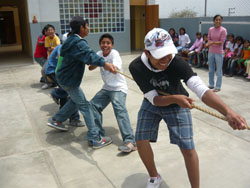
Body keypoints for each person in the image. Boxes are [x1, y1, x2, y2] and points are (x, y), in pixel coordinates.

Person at [129, 28, 246, 188]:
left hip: (179, 103)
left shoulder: (177, 62)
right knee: (141, 140)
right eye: (159, 56)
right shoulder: (136, 67)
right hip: (155, 101)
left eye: (168, 54)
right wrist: (175, 98)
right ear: (147, 53)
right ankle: (154, 176)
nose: (165, 59)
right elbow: (153, 99)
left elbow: (200, 89)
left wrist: (228, 112)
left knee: (188, 149)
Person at [47, 16, 116, 149]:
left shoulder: (71, 39)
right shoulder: (79, 43)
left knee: (75, 101)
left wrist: (98, 62)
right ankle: (95, 138)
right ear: (82, 28)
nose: (88, 28)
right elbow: (89, 55)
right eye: (87, 26)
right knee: (86, 106)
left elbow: (83, 56)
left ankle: (57, 119)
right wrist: (104, 63)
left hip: (64, 78)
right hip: (69, 81)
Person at [88, 34, 136, 153]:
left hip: (118, 88)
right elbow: (90, 67)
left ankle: (131, 141)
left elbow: (114, 69)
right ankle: (99, 136)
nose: (105, 45)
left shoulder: (114, 54)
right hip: (107, 88)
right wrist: (94, 61)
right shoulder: (99, 54)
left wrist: (107, 64)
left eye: (108, 43)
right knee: (93, 105)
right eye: (103, 43)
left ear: (112, 45)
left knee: (119, 110)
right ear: (100, 44)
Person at [45, 44, 84, 127]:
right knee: (74, 95)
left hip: (58, 72)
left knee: (67, 95)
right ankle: (73, 118)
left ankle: (60, 117)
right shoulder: (63, 47)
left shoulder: (69, 47)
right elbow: (61, 58)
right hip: (55, 72)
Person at [207, 15, 227, 92]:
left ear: (221, 21)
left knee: (219, 70)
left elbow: (221, 42)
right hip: (211, 52)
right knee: (211, 69)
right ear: (214, 21)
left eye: (219, 20)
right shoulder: (211, 29)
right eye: (216, 19)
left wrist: (212, 42)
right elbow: (208, 39)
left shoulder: (223, 30)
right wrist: (212, 42)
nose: (218, 21)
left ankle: (218, 86)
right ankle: (211, 85)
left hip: (219, 53)